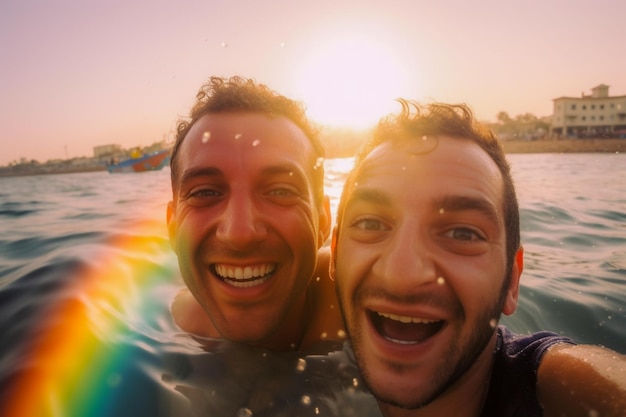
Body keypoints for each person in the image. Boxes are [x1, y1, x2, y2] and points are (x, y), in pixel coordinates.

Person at [330, 100, 626, 417]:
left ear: (512, 281)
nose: (401, 274)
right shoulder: (315, 369)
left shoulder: (555, 386)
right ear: (334, 256)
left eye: (463, 234)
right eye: (369, 224)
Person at [167, 76, 344, 352]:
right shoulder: (171, 323)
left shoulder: (354, 299)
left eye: (281, 191)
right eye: (205, 192)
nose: (240, 234)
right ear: (172, 229)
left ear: (323, 221)